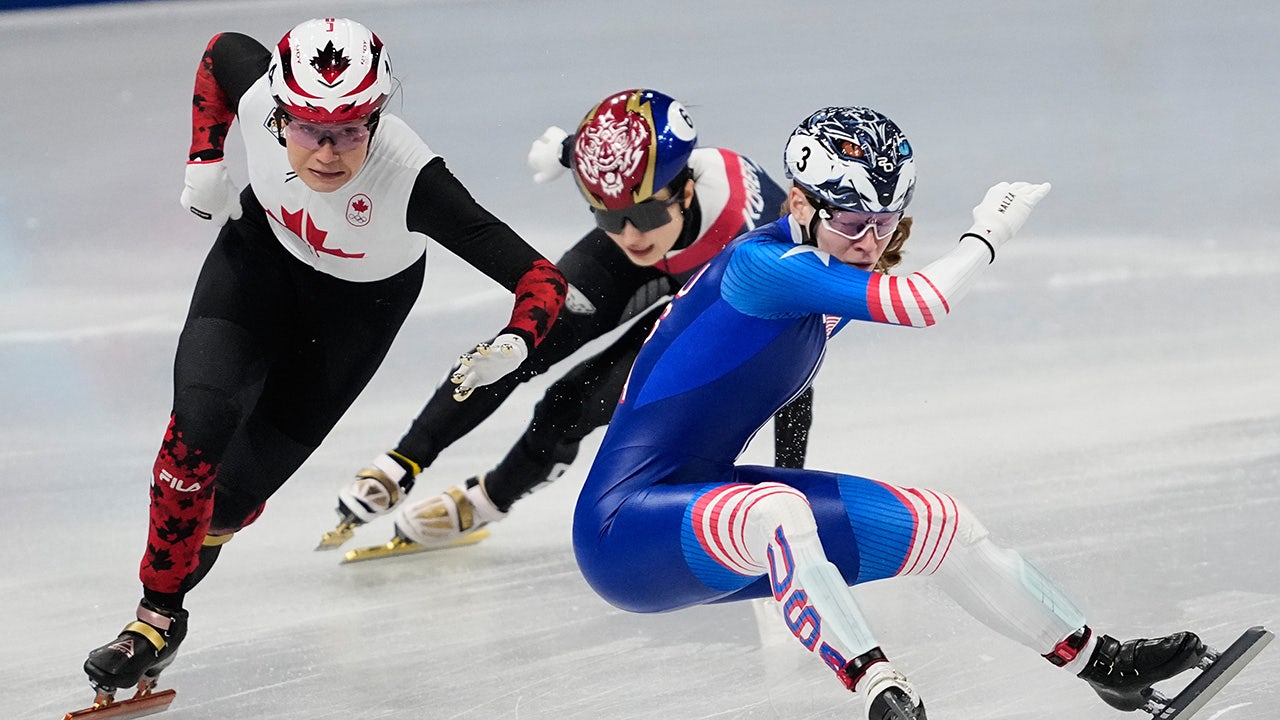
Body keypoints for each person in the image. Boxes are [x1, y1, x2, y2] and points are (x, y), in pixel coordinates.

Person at [571, 106, 1207, 719]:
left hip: (706, 501)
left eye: (884, 224)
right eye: (852, 223)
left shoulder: (825, 260)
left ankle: (1105, 666)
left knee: (945, 525)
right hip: (623, 531)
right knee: (777, 510)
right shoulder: (764, 267)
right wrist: (988, 233)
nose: (869, 243)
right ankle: (879, 692)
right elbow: (922, 301)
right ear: (797, 203)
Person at [79, 18, 567, 701]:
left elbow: (542, 279)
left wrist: (515, 342)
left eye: (350, 130)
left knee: (229, 504)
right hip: (256, 269)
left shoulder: (412, 178)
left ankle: (172, 600)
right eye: (308, 128)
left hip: (352, 320)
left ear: (377, 118)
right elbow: (221, 54)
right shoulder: (256, 98)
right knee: (196, 434)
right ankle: (155, 620)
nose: (329, 152)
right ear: (278, 110)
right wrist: (205, 160)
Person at [319, 89, 815, 553]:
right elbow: (602, 149)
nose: (628, 235)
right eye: (605, 216)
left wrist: (788, 483)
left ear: (685, 192)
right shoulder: (622, 180)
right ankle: (401, 463)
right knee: (516, 347)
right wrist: (569, 150)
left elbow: (795, 377)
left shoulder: (759, 249)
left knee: (574, 404)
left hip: (714, 288)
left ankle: (492, 497)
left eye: (641, 216)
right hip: (678, 255)